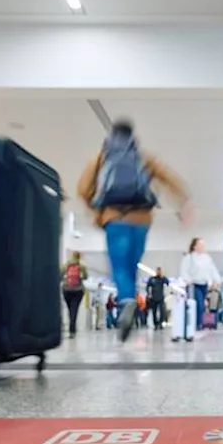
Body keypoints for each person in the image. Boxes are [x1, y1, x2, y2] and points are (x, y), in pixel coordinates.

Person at [78, 120, 189, 343]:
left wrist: (97, 208)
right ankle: (129, 299)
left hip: (114, 218)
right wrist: (184, 202)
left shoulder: (103, 156)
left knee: (119, 266)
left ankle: (127, 299)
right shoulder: (143, 157)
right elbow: (168, 177)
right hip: (141, 220)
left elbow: (83, 188)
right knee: (132, 264)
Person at [180, 238, 222, 333]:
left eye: (203, 245)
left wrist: (217, 280)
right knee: (198, 304)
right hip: (193, 285)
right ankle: (197, 325)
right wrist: (187, 279)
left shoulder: (207, 258)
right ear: (195, 246)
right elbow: (184, 270)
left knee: (202, 305)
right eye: (200, 244)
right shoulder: (189, 257)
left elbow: (212, 270)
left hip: (204, 284)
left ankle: (199, 324)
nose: (203, 247)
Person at [61, 251, 88, 339]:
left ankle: (71, 328)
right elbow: (85, 277)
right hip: (78, 290)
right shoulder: (82, 266)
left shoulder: (66, 265)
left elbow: (60, 275)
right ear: (79, 257)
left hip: (66, 290)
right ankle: (72, 331)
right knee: (74, 310)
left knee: (70, 310)